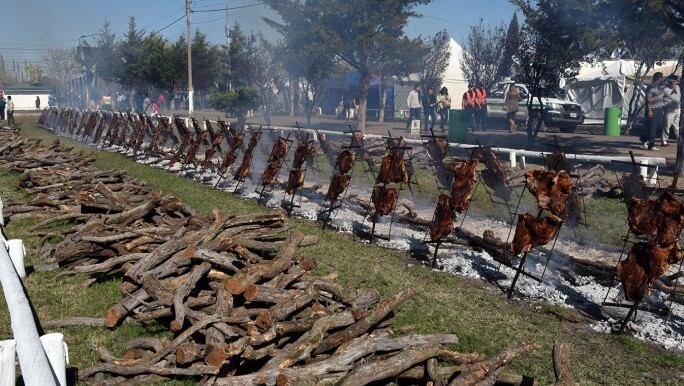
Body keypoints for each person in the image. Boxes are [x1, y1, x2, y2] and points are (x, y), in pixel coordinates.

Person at [642, 72, 666, 151]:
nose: (662, 79)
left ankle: (644, 138)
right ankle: (651, 145)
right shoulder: (651, 87)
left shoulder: (660, 87)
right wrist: (649, 110)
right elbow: (648, 100)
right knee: (653, 128)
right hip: (653, 109)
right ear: (658, 78)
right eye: (661, 78)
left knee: (660, 126)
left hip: (659, 109)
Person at [663, 74, 680, 147]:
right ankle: (664, 140)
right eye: (672, 82)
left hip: (677, 108)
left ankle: (679, 139)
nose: (674, 84)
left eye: (675, 82)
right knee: (667, 125)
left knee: (676, 125)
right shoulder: (665, 89)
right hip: (669, 110)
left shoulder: (678, 88)